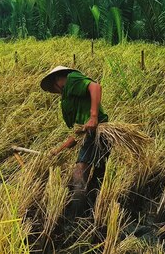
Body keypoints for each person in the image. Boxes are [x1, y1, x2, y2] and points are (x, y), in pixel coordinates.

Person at [40, 66, 110, 219]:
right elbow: (77, 135)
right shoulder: (71, 99)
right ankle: (92, 214)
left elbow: (95, 87)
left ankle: (75, 217)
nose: (55, 90)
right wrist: (57, 151)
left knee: (79, 172)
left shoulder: (72, 79)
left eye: (53, 86)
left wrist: (93, 116)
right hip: (92, 134)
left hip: (96, 132)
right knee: (97, 176)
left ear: (59, 78)